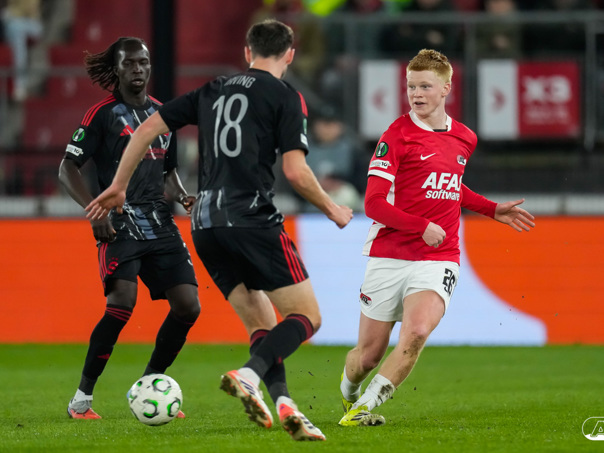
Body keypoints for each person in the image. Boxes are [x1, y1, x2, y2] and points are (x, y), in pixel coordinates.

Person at [85, 20, 353, 441]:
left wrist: (118, 185)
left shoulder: (212, 89)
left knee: (262, 324)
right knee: (307, 317)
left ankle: (285, 404)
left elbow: (147, 128)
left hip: (206, 224)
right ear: (290, 54)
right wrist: (333, 208)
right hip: (251, 218)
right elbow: (295, 172)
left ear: (247, 51)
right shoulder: (285, 95)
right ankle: (249, 374)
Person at [338, 49, 535, 426]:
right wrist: (420, 226)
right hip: (390, 253)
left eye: (425, 86)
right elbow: (373, 204)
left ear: (446, 88)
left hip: (439, 256)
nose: (416, 94)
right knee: (367, 356)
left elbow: (450, 185)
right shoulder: (395, 136)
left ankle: (363, 409)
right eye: (411, 86)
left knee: (417, 331)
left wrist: (491, 209)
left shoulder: (465, 138)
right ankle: (349, 395)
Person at [58, 37, 200, 420]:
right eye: (129, 63)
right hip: (118, 219)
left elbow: (168, 170)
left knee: (188, 306)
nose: (138, 69)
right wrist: (95, 211)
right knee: (121, 303)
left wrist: (183, 196)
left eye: (143, 62)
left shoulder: (163, 114)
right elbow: (67, 167)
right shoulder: (101, 114)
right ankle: (82, 399)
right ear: (117, 70)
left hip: (159, 221)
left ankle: (150, 382)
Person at [1, 0, 43, 101]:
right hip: (12, 20)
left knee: (15, 29)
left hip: (32, 23)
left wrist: (11, 13)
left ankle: (20, 84)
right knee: (12, 27)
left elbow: (30, 9)